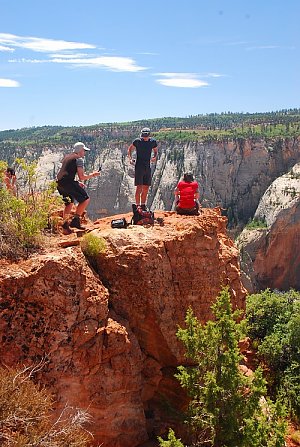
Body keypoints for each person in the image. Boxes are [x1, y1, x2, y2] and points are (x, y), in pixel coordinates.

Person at [56, 142, 100, 234]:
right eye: (84, 151)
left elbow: (65, 172)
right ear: (80, 150)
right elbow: (82, 176)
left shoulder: (67, 157)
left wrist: (76, 183)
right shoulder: (79, 159)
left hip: (60, 183)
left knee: (69, 203)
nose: (84, 153)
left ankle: (65, 227)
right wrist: (93, 175)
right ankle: (75, 221)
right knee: (85, 199)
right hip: (68, 183)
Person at [128, 127, 158, 210]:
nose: (144, 137)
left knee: (146, 187)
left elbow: (155, 150)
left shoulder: (153, 142)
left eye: (146, 135)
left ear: (149, 135)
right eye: (143, 135)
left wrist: (154, 157)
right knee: (139, 187)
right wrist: (130, 158)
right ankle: (138, 205)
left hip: (147, 166)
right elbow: (130, 149)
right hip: (139, 166)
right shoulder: (137, 141)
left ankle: (143, 205)